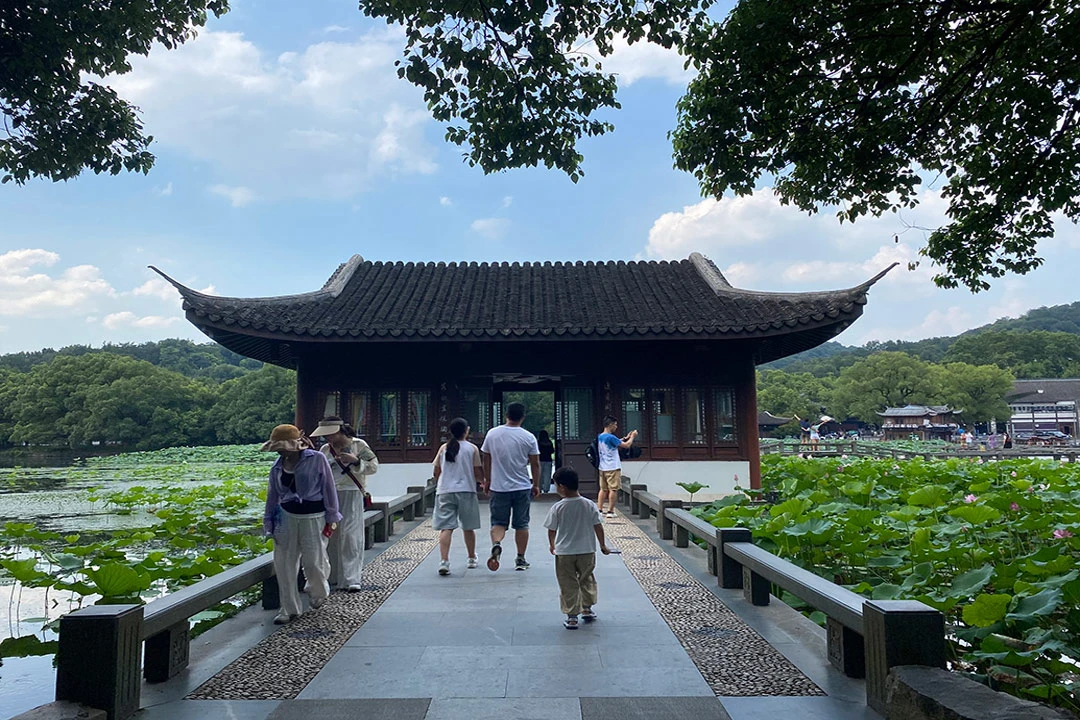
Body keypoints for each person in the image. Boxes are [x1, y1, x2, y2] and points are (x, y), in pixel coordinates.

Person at [261, 424, 341, 624]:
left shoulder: (317, 460)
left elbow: (328, 488)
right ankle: (288, 608)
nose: (282, 451)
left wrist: (332, 517)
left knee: (314, 562)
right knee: (284, 564)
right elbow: (272, 496)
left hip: (313, 517)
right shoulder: (277, 467)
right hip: (286, 517)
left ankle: (318, 591)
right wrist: (268, 523)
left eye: (284, 447)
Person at [310, 416, 379, 592]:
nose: (327, 439)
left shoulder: (359, 445)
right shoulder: (325, 449)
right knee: (331, 535)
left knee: (351, 534)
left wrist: (356, 461)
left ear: (337, 430)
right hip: (330, 494)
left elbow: (374, 466)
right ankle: (333, 576)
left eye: (329, 434)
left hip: (352, 492)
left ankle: (352, 578)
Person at [544, 467, 611, 629]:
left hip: (565, 552)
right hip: (587, 549)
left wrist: (552, 545)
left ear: (561, 487)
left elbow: (551, 529)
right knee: (586, 578)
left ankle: (572, 616)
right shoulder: (589, 505)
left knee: (568, 582)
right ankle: (587, 609)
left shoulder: (558, 507)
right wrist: (602, 544)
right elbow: (598, 526)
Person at [480, 402, 541, 571]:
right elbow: (535, 464)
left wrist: (487, 480)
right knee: (521, 524)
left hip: (499, 487)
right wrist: (536, 484)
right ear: (523, 417)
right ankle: (520, 558)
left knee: (498, 522)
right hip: (521, 486)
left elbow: (486, 458)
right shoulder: (528, 437)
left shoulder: (493, 434)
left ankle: (497, 543)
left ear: (506, 415)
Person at [432, 417, 484, 575]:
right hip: (466, 490)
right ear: (466, 431)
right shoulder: (472, 448)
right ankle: (471, 558)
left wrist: (440, 481)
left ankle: (444, 561)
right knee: (468, 527)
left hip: (445, 491)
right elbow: (477, 471)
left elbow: (436, 471)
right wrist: (483, 482)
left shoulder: (444, 448)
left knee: (446, 527)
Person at [596, 415, 637, 519]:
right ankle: (610, 511)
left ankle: (599, 510)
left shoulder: (601, 436)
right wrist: (632, 437)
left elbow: (615, 442)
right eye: (615, 424)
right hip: (613, 467)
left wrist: (624, 438)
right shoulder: (611, 437)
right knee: (613, 489)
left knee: (603, 489)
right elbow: (627, 445)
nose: (616, 427)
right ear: (610, 425)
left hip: (602, 467)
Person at [537, 429, 555, 494]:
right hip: (548, 460)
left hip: (540, 460)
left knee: (540, 475)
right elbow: (552, 451)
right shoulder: (549, 442)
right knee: (547, 475)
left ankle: (539, 487)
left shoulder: (538, 442)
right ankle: (546, 489)